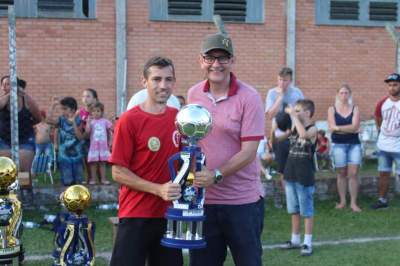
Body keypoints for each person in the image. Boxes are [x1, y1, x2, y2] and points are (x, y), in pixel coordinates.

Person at [188, 33, 265, 266]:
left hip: (242, 202)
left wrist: (216, 175)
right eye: (210, 58)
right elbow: (192, 142)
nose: (216, 64)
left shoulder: (249, 97)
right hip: (204, 201)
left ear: (232, 61)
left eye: (223, 58)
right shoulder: (194, 94)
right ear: (201, 61)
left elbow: (249, 151)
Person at [109, 56, 183, 266]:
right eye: (156, 79)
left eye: (168, 80)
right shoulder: (129, 120)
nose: (163, 85)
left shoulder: (180, 119)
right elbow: (118, 172)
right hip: (136, 214)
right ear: (144, 82)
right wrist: (158, 189)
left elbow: (186, 163)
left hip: (170, 214)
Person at [280, 99, 317, 256]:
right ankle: (295, 239)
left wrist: (294, 116)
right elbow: (289, 134)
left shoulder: (313, 129)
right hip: (290, 173)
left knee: (306, 210)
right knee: (293, 209)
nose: (294, 112)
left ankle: (307, 243)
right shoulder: (295, 126)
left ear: (307, 113)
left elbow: (304, 134)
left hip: (304, 175)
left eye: (298, 110)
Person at [265, 67, 304, 207]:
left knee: (296, 166)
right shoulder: (272, 93)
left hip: (295, 133)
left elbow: (304, 113)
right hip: (279, 135)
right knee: (283, 169)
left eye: (285, 80)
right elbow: (269, 115)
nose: (282, 83)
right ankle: (290, 200)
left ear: (290, 80)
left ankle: (297, 198)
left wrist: (294, 112)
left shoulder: (297, 93)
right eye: (280, 80)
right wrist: (280, 97)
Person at [328, 84, 362, 212]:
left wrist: (338, 128)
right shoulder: (331, 109)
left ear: (350, 94)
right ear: (337, 94)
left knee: (353, 174)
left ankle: (353, 203)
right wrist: (351, 129)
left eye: (346, 93)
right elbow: (332, 127)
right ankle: (342, 201)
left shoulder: (355, 109)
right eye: (341, 93)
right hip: (338, 145)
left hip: (354, 144)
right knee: (341, 173)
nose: (344, 95)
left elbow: (354, 127)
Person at [0, 76, 42, 172]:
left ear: (16, 85)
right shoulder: (3, 99)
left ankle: (25, 187)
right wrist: (10, 94)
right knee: (6, 172)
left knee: (23, 173)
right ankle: (9, 187)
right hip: (4, 140)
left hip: (25, 139)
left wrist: (28, 123)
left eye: (7, 84)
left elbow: (38, 118)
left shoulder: (25, 99)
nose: (4, 87)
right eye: (3, 85)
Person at [371, 73, 400, 209]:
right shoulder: (382, 103)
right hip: (384, 146)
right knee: (383, 173)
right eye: (389, 85)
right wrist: (384, 132)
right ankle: (382, 200)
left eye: (395, 85)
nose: (392, 88)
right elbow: (378, 119)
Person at [47, 96, 84, 186]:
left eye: (65, 109)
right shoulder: (61, 120)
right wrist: (53, 105)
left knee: (78, 176)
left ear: (72, 110)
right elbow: (48, 120)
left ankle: (78, 192)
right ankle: (66, 192)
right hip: (64, 154)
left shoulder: (80, 120)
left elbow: (80, 137)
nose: (62, 111)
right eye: (62, 109)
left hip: (77, 154)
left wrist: (74, 122)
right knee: (66, 176)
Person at [85, 102, 112, 185]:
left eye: (98, 111)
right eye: (94, 111)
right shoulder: (91, 122)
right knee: (93, 163)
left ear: (102, 112)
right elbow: (87, 132)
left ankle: (103, 179)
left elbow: (110, 130)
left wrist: (111, 141)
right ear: (91, 113)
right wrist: (88, 123)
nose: (96, 113)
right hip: (94, 147)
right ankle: (93, 179)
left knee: (102, 163)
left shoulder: (105, 121)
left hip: (103, 147)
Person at [79, 88, 99, 183]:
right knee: (86, 160)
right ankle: (88, 178)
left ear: (95, 99)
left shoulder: (97, 112)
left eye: (88, 96)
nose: (85, 98)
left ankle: (100, 178)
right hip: (85, 140)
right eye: (83, 96)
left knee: (98, 161)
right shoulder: (80, 112)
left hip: (96, 140)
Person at [31, 110, 53, 178]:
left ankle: (48, 170)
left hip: (47, 144)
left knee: (49, 157)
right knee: (36, 158)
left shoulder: (48, 125)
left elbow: (50, 115)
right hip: (38, 145)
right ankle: (34, 172)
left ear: (43, 117)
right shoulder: (36, 125)